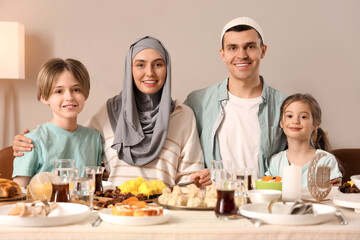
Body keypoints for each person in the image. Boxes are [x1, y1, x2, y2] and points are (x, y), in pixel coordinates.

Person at [13, 36, 211, 188]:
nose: (149, 72)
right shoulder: (109, 112)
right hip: (113, 212)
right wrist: (26, 142)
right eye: (140, 64)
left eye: (158, 64)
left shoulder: (183, 115)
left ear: (167, 69)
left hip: (162, 213)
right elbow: (73, 139)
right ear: (129, 70)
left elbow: (190, 179)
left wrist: (197, 181)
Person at [184, 17, 287, 179]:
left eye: (250, 47)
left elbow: (304, 157)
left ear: (263, 50)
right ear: (222, 54)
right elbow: (183, 157)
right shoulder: (197, 102)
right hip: (216, 201)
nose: (242, 55)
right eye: (233, 48)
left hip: (267, 201)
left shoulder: (285, 105)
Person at [12, 58, 103, 187]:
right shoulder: (30, 141)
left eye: (76, 90)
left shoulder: (94, 138)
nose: (69, 97)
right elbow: (19, 192)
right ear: (44, 97)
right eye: (59, 91)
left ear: (86, 94)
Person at [265, 93, 342, 187]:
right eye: (289, 116)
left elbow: (329, 196)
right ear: (281, 122)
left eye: (303, 117)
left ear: (315, 124)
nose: (295, 121)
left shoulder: (325, 160)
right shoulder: (276, 161)